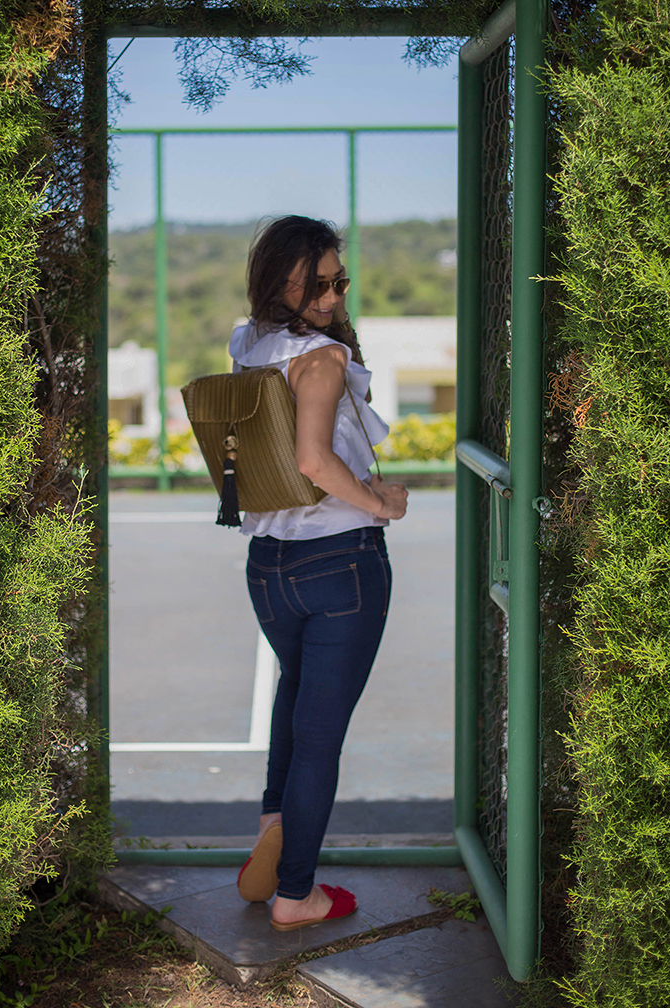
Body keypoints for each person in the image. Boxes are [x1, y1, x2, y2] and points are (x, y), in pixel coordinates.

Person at [230, 215, 408, 931]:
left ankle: (276, 827)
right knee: (321, 736)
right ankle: (296, 894)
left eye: (340, 281)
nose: (333, 298)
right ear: (282, 283)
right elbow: (313, 460)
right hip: (340, 565)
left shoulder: (250, 345)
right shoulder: (322, 361)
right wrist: (380, 504)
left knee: (295, 695)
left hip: (268, 568)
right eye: (318, 285)